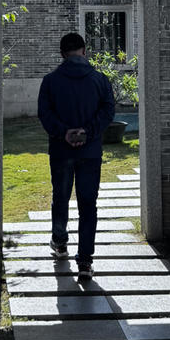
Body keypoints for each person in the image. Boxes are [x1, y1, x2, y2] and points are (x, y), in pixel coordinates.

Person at [37, 32, 116, 279]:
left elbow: (44, 114)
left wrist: (65, 132)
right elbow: (108, 111)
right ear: (84, 51)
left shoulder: (50, 81)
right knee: (88, 205)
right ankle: (85, 262)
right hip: (90, 151)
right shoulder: (100, 80)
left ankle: (60, 243)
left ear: (62, 54)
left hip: (61, 150)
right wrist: (87, 132)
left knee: (60, 198)